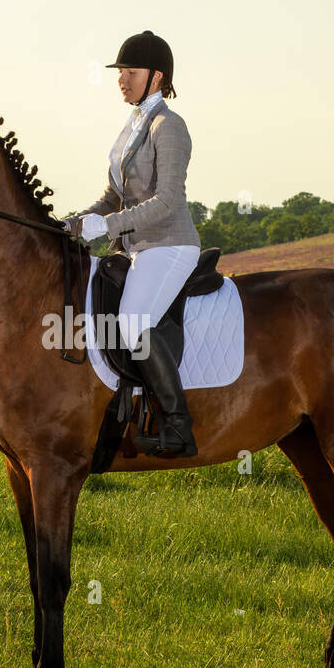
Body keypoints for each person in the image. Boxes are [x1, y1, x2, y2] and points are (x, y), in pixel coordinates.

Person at [65, 30, 201, 458]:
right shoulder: (131, 126)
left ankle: (178, 426)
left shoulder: (170, 126)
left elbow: (167, 202)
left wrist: (105, 228)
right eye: (120, 72)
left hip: (168, 244)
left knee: (134, 321)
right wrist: (76, 221)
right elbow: (111, 198)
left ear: (157, 76)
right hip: (134, 249)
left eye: (130, 72)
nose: (121, 79)